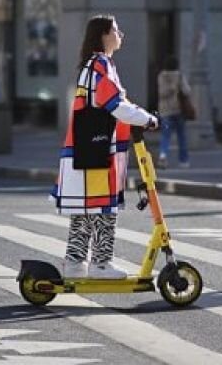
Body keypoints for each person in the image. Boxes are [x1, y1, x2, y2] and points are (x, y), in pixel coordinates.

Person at [50, 15, 158, 280]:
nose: (121, 35)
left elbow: (114, 102)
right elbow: (115, 105)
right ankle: (101, 263)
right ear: (104, 35)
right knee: (103, 209)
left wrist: (141, 115)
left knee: (85, 211)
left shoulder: (92, 65)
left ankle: (75, 263)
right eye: (116, 30)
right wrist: (148, 119)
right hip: (98, 150)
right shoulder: (100, 65)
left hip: (84, 149)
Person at [156, 55, 190, 169]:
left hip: (165, 111)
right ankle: (184, 161)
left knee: (165, 136)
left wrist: (169, 89)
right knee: (182, 136)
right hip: (178, 110)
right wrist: (177, 88)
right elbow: (187, 91)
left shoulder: (161, 76)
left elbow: (161, 93)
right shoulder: (179, 76)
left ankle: (163, 156)